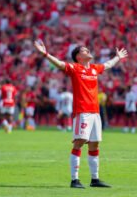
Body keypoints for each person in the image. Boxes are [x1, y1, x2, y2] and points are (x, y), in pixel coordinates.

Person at [34, 39, 128, 188]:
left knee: (94, 144)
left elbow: (108, 65)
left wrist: (118, 57)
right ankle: (74, 180)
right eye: (84, 50)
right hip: (82, 111)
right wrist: (45, 54)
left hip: (95, 112)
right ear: (78, 56)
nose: (88, 50)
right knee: (79, 142)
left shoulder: (94, 69)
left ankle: (95, 179)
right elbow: (59, 63)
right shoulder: (75, 68)